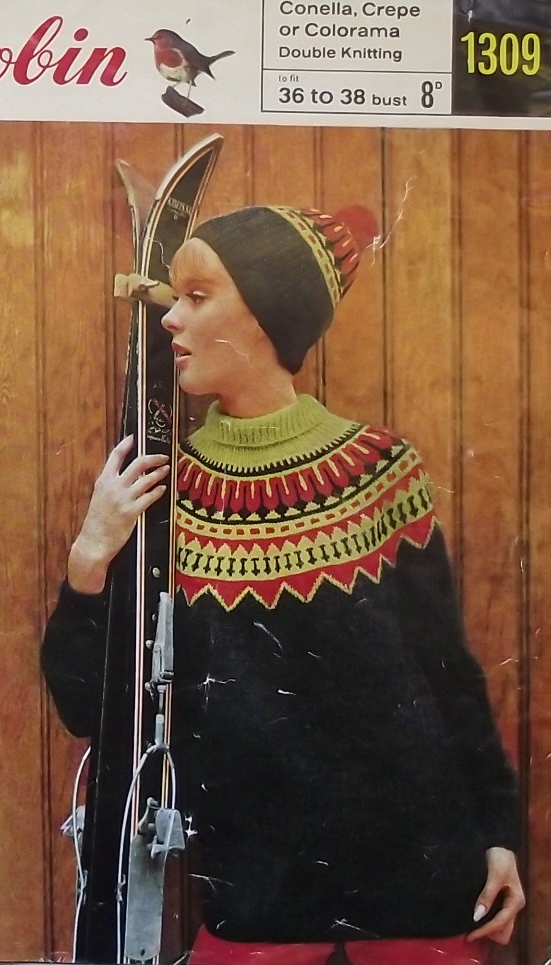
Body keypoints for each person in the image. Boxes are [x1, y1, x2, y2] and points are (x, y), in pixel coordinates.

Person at [41, 204, 525, 965]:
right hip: (257, 904)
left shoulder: (380, 472)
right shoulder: (163, 494)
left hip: (423, 887)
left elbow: (448, 673)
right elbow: (86, 708)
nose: (171, 318)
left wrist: (498, 833)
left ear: (269, 316)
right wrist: (91, 554)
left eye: (198, 296)